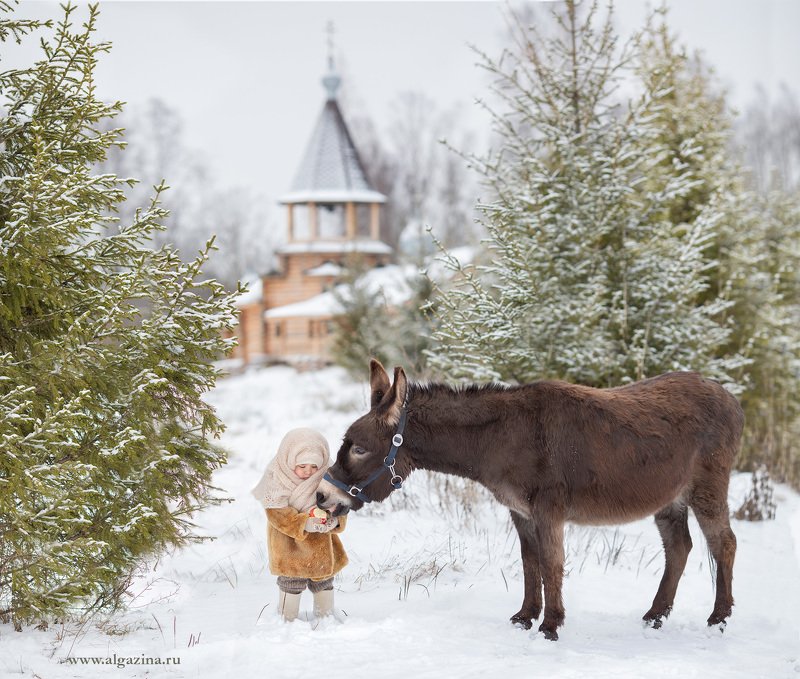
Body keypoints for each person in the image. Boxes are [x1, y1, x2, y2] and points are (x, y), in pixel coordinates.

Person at [251, 428, 348, 622]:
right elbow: (276, 514)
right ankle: (287, 619)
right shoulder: (277, 477)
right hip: (289, 546)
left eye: (314, 466)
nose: (308, 472)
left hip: (321, 546)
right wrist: (305, 523)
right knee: (291, 582)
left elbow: (340, 505)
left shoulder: (329, 478)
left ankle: (325, 617)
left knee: (324, 580)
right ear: (289, 459)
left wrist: (334, 520)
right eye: (302, 466)